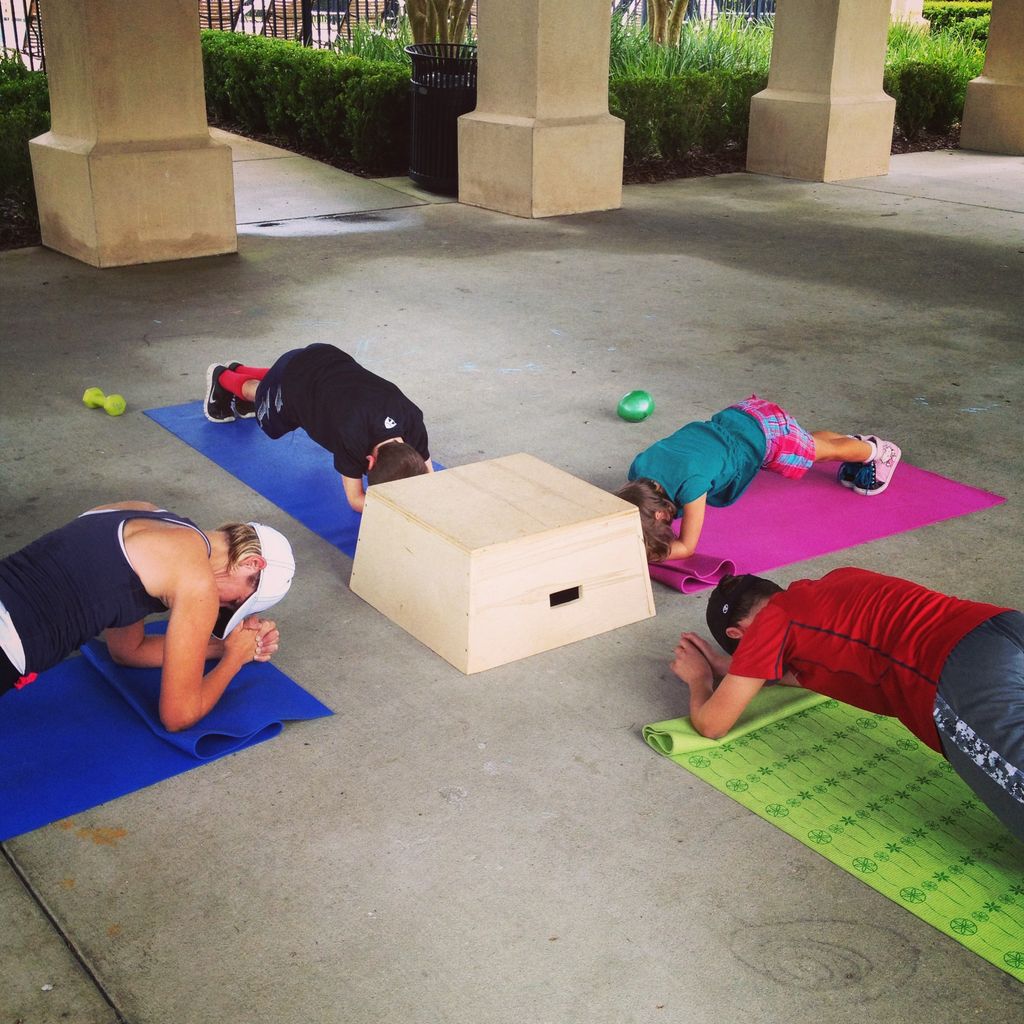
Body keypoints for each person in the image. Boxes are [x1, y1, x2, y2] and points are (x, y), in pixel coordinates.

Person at [668, 568, 1024, 841]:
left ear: (738, 633)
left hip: (956, 674)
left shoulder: (770, 624)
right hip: (1001, 627)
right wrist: (734, 670)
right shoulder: (836, 582)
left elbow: (712, 724)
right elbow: (811, 670)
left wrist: (700, 679)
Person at [0, 502, 295, 732]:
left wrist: (225, 647)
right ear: (251, 563)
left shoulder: (146, 512)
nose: (223, 607)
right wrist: (234, 660)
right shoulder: (198, 581)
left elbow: (128, 651)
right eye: (236, 602)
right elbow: (178, 716)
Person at [616, 396, 901, 563]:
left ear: (661, 512)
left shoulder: (692, 484)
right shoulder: (640, 468)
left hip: (769, 435)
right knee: (812, 449)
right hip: (740, 417)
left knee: (822, 453)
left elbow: (688, 546)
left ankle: (879, 451)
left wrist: (643, 557)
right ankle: (853, 444)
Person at [204, 344, 433, 513]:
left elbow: (430, 479)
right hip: (298, 383)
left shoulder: (413, 420)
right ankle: (222, 377)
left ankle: (240, 368)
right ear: (369, 462)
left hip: (327, 358)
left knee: (284, 377)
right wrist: (400, 509)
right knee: (259, 396)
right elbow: (356, 500)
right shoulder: (352, 437)